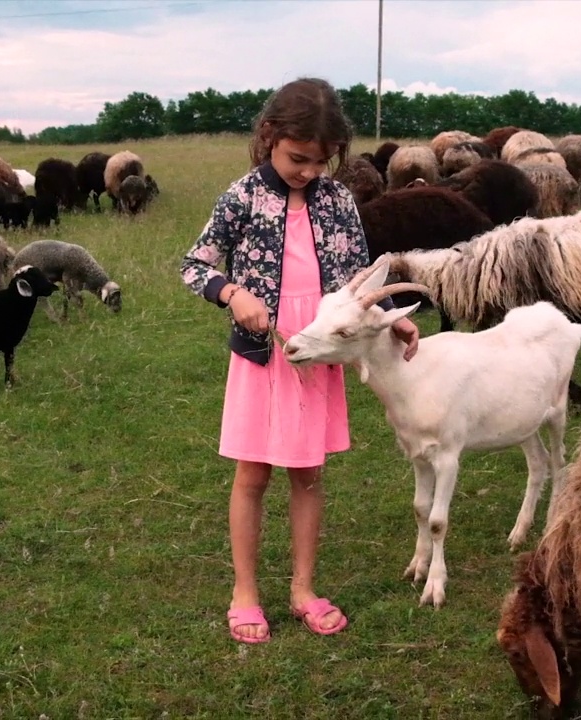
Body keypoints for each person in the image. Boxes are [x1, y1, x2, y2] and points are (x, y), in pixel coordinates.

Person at [180, 77, 420, 644]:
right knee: (253, 473)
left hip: (320, 354)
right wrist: (233, 294)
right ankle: (245, 591)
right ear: (269, 137)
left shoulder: (338, 201)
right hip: (263, 359)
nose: (309, 170)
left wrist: (391, 316)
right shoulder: (241, 197)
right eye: (298, 159)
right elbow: (195, 264)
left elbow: (359, 281)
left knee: (309, 473)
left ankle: (303, 587)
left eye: (320, 160)